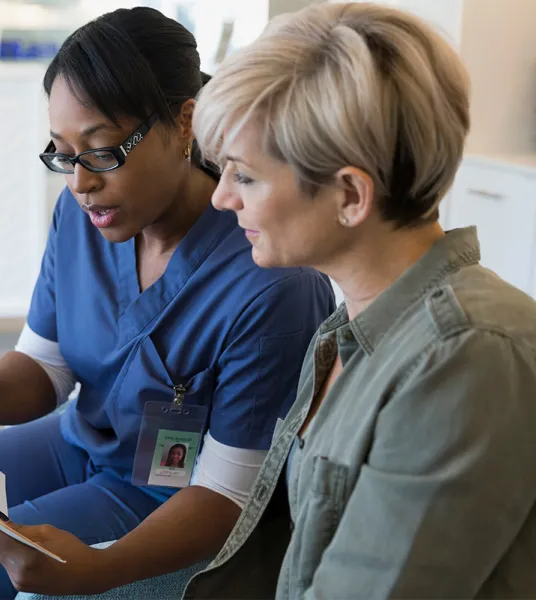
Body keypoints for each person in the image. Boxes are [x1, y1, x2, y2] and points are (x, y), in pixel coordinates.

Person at [0, 7, 334, 600]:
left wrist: (95, 569)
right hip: (77, 443)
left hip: (167, 499)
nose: (80, 182)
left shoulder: (271, 282)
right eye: (62, 153)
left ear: (184, 123)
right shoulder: (84, 218)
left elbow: (226, 501)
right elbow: (45, 369)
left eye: (102, 150)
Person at [178, 2, 536, 598]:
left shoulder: (466, 360)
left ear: (349, 194)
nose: (221, 199)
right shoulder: (348, 328)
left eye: (244, 176)